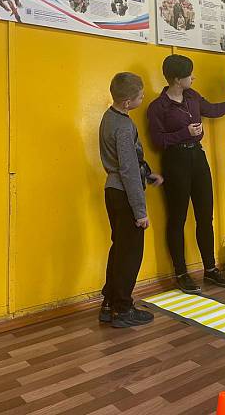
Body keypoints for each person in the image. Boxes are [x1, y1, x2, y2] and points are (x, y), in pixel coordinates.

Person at [147, 55, 225, 294]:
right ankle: (181, 273)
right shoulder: (158, 107)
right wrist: (184, 132)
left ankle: (210, 269)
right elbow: (158, 141)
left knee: (205, 216)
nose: (194, 77)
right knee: (177, 219)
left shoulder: (192, 96)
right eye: (190, 74)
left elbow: (213, 110)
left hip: (198, 158)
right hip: (175, 161)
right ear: (177, 79)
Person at [99, 73, 163, 327]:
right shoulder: (124, 127)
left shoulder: (109, 117)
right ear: (127, 102)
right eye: (140, 95)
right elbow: (127, 170)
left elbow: (128, 163)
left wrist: (147, 174)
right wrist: (140, 212)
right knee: (130, 256)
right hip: (125, 194)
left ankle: (109, 304)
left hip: (112, 191)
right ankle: (123, 310)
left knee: (119, 250)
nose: (143, 97)